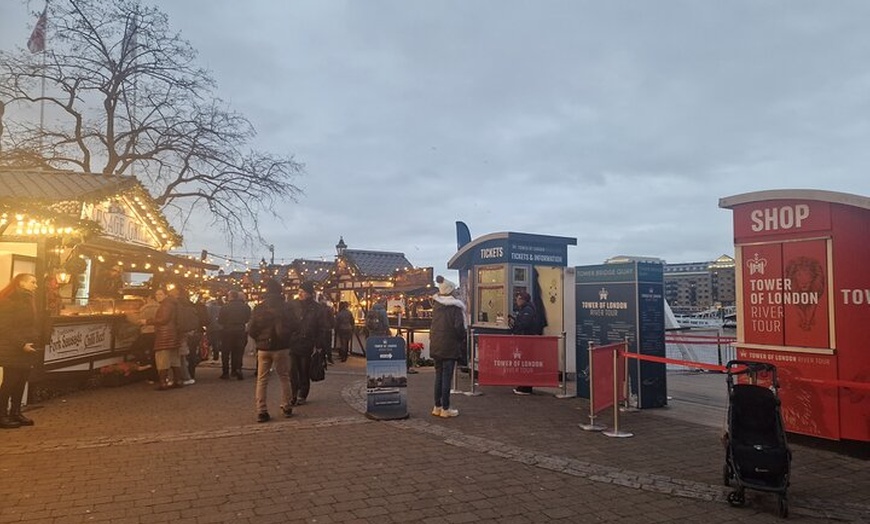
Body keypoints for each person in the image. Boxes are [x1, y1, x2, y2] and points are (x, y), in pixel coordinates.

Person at [248, 279, 297, 422]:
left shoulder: (259, 308)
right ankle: (287, 406)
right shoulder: (287, 308)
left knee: (262, 379)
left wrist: (259, 339)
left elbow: (251, 329)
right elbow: (296, 325)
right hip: (282, 347)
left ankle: (261, 410)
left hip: (263, 348)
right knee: (284, 377)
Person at [0, 273, 40, 429]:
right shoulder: (9, 301)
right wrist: (21, 343)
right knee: (10, 382)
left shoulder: (28, 299)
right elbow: (5, 327)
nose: (35, 285)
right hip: (13, 348)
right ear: (21, 284)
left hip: (25, 347)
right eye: (33, 282)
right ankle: (1, 415)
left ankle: (15, 412)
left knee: (21, 381)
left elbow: (28, 325)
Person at [429, 276, 467, 418]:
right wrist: (461, 338)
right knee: (446, 377)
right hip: (449, 346)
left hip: (436, 344)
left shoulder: (436, 306)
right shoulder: (455, 308)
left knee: (438, 376)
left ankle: (437, 406)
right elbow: (459, 328)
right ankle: (446, 408)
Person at [288, 281, 323, 406]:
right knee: (292, 371)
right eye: (299, 291)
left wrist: (318, 345)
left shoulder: (317, 308)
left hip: (308, 343)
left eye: (302, 292)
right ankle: (293, 393)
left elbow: (321, 328)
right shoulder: (293, 305)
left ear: (309, 293)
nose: (300, 294)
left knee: (304, 370)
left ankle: (302, 394)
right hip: (293, 342)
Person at [144, 287, 184, 390]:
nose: (158, 297)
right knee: (174, 359)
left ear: (166, 295)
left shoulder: (165, 305)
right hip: (174, 335)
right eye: (156, 294)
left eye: (160, 294)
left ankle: (163, 383)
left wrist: (147, 321)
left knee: (162, 360)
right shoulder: (174, 303)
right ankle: (178, 380)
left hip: (164, 336)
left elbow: (163, 319)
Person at [511, 291, 540, 396]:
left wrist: (516, 328)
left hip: (526, 341)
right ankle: (523, 385)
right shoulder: (525, 309)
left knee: (526, 363)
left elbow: (524, 324)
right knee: (524, 363)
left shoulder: (527, 310)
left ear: (523, 300)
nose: (517, 301)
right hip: (524, 340)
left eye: (518, 299)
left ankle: (526, 387)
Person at [218, 290, 251, 380]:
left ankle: (225, 372)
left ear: (230, 296)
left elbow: (220, 320)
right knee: (238, 351)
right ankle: (237, 369)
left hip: (227, 330)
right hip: (240, 330)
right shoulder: (245, 307)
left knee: (226, 352)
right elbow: (248, 318)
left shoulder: (225, 307)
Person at [205, 296, 224, 361]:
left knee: (209, 341)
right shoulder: (220, 308)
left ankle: (207, 354)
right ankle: (216, 355)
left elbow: (208, 317)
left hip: (210, 327)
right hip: (219, 327)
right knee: (216, 341)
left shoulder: (208, 308)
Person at [319, 296, 336, 365]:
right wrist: (332, 326)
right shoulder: (329, 309)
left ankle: (322, 358)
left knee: (321, 344)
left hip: (320, 329)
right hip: (328, 329)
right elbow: (332, 319)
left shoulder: (318, 309)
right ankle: (329, 358)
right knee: (328, 344)